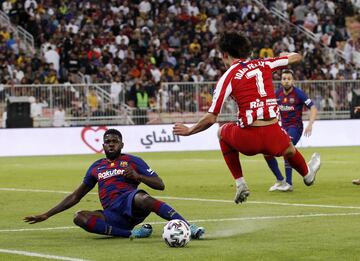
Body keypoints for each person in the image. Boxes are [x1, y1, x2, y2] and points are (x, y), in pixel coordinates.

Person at [173, 32, 321, 204]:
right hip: (274, 135)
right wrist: (283, 56)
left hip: (248, 139)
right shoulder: (265, 63)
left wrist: (190, 130)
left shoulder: (228, 76)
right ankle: (307, 174)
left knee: (221, 132)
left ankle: (240, 183)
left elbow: (211, 117)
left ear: (225, 55)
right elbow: (296, 57)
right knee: (289, 149)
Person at [24, 129, 205, 239]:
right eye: (108, 142)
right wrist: (47, 214)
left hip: (130, 203)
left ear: (121, 145)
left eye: (114, 142)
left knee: (142, 198)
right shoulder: (96, 167)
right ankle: (131, 234)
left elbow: (160, 184)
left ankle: (188, 226)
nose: (111, 145)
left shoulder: (133, 161)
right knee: (79, 217)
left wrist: (138, 176)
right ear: (103, 146)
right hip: (112, 214)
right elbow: (75, 196)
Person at [266, 69, 318, 192]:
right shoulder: (277, 94)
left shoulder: (299, 94)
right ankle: (280, 180)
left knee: (286, 149)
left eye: (289, 79)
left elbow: (313, 108)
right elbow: (267, 107)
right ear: (281, 80)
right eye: (284, 79)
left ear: (293, 80)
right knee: (266, 151)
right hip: (282, 128)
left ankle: (288, 183)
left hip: (295, 128)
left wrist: (310, 124)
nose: (286, 81)